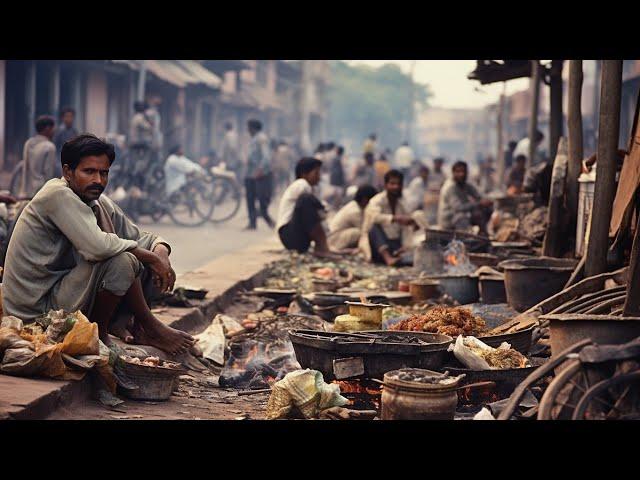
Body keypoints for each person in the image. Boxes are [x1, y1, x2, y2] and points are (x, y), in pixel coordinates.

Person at [2, 134, 195, 355]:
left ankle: (131, 325)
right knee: (122, 261)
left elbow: (142, 237)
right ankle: (108, 332)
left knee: (139, 257)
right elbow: (99, 247)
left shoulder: (96, 201)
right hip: (34, 311)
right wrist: (151, 257)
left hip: (61, 293)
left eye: (104, 173)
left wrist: (161, 254)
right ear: (67, 172)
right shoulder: (56, 194)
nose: (98, 180)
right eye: (89, 172)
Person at [276, 157, 336, 257]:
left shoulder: (312, 188)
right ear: (304, 174)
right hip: (289, 235)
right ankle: (321, 247)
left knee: (312, 205)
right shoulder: (301, 184)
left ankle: (322, 246)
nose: (319, 177)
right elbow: (316, 209)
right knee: (306, 200)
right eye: (316, 173)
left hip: (301, 239)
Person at [359, 170, 417, 266]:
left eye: (398, 184)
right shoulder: (376, 201)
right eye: (392, 184)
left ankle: (398, 256)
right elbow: (375, 218)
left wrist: (405, 247)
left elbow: (405, 227)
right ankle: (388, 258)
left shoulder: (402, 203)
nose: (396, 187)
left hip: (393, 244)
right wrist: (396, 218)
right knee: (374, 227)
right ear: (386, 185)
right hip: (375, 247)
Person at [438, 160, 492, 233]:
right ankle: (463, 240)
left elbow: (478, 195)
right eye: (458, 172)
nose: (461, 174)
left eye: (463, 171)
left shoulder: (464, 184)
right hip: (449, 219)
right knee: (462, 217)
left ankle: (484, 235)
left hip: (459, 214)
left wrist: (486, 200)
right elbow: (458, 208)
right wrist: (479, 203)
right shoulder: (450, 187)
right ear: (453, 173)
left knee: (483, 211)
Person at [244, 119, 274, 230]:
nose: (247, 130)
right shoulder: (254, 139)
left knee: (262, 199)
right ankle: (252, 223)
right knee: (250, 198)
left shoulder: (261, 139)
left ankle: (268, 220)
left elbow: (266, 156)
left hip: (260, 174)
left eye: (248, 127)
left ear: (253, 128)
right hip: (251, 174)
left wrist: (260, 169)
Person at [327, 185, 377, 251]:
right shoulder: (355, 211)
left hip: (337, 237)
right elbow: (364, 230)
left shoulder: (357, 207)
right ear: (365, 199)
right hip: (335, 240)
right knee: (359, 233)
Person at [21, 115, 57, 197]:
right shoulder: (50, 146)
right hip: (41, 191)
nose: (54, 131)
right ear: (47, 128)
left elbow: (25, 168)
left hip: (27, 191)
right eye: (53, 128)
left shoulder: (29, 143)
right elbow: (48, 174)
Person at [53, 106, 79, 175]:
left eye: (71, 116)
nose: (69, 119)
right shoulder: (58, 131)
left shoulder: (74, 131)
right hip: (59, 161)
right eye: (67, 116)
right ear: (62, 118)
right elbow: (54, 147)